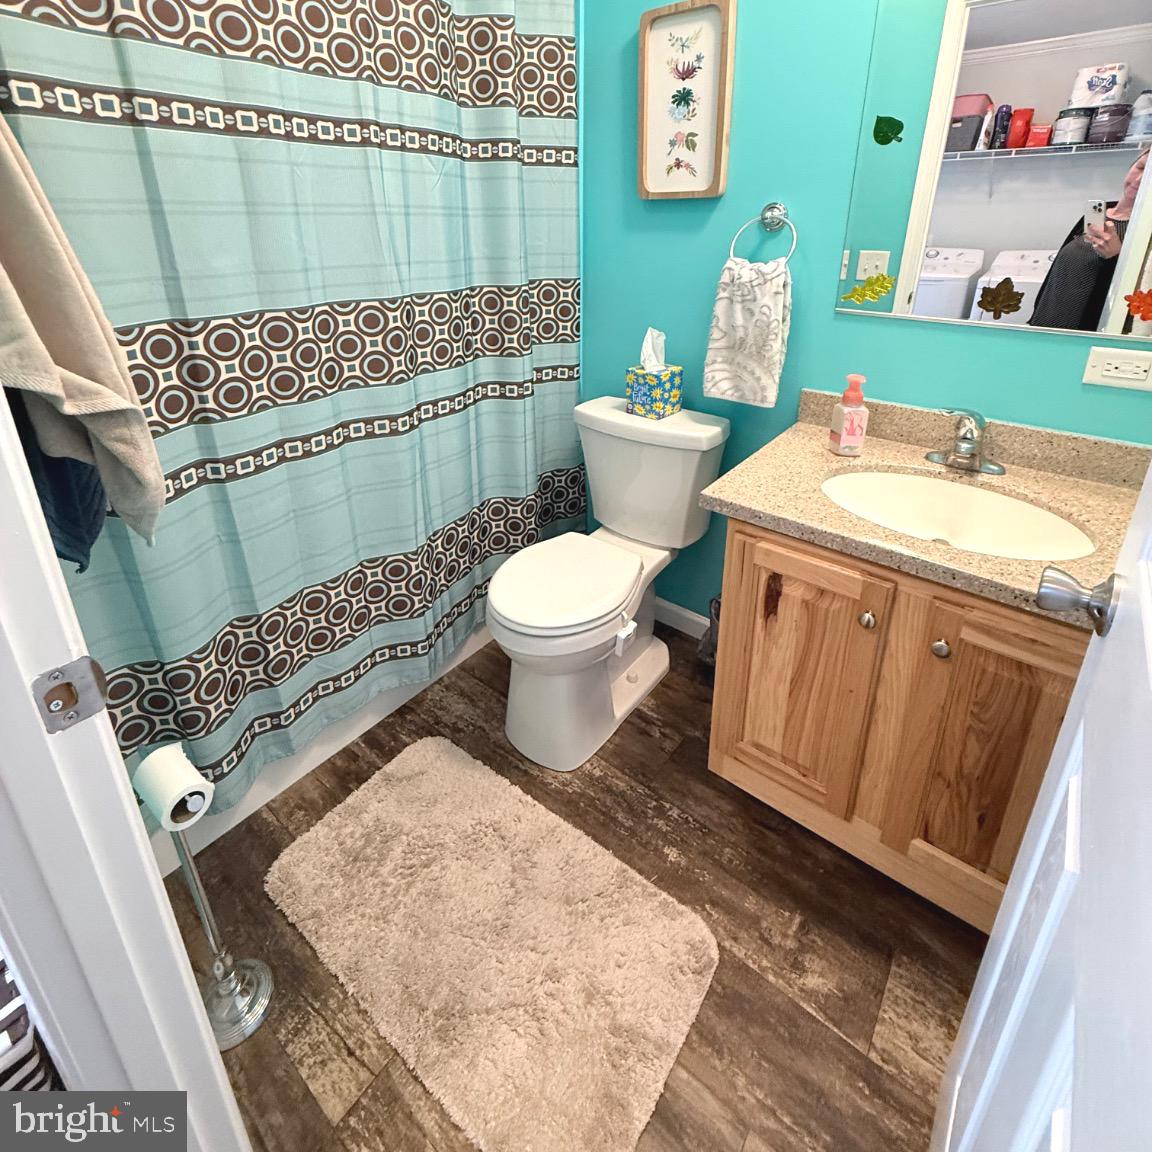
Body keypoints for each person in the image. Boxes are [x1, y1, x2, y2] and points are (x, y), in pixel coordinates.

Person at [1029, 147, 1148, 331]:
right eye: (1141, 167)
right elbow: (1059, 269)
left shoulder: (1144, 232)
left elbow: (1135, 296)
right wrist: (1035, 314)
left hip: (1083, 333)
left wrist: (1116, 257)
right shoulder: (1098, 214)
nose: (1140, 180)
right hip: (1045, 322)